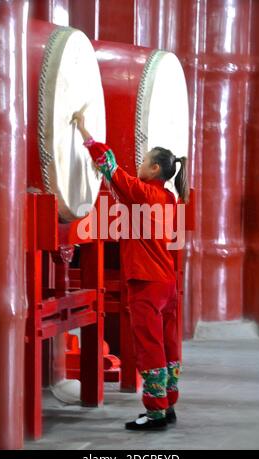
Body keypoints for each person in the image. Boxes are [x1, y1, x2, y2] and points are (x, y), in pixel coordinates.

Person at [71, 109, 189, 431]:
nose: (138, 166)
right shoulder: (167, 197)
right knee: (168, 344)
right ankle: (168, 403)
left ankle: (155, 413)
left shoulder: (144, 193)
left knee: (149, 347)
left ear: (153, 169)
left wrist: (85, 133)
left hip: (146, 284)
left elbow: (110, 166)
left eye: (143, 161)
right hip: (167, 283)